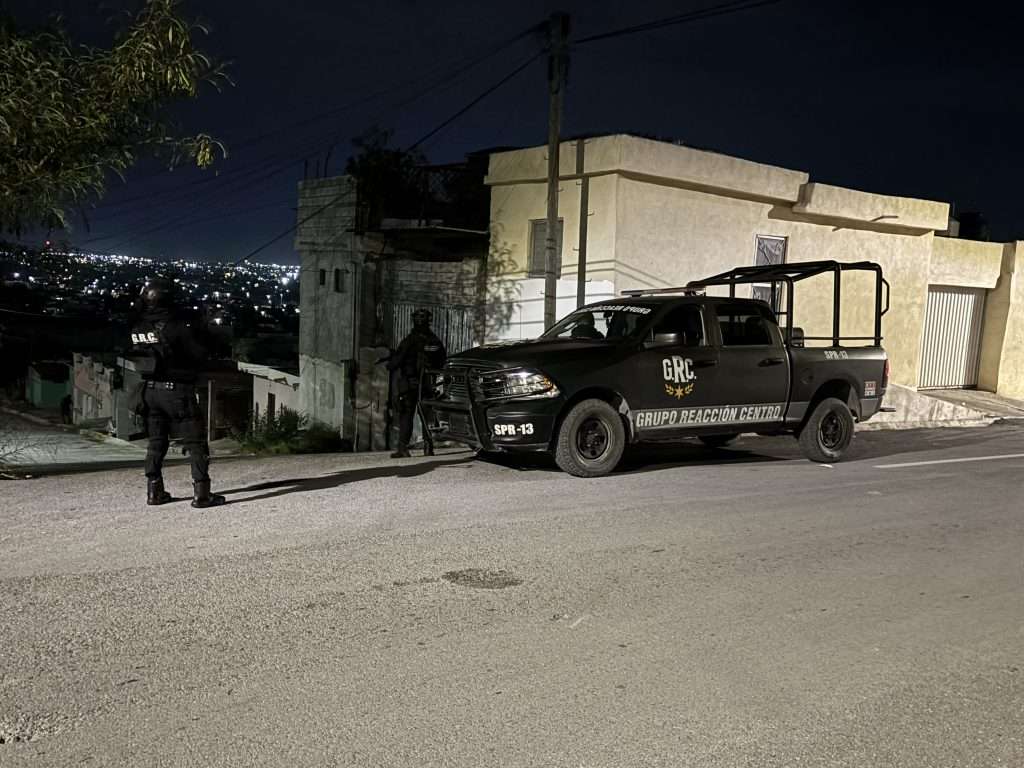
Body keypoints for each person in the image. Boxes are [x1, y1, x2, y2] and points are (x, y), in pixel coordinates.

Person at [127, 277, 225, 508]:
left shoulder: (138, 326)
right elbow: (199, 354)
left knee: (156, 443)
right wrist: (203, 327)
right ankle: (202, 494)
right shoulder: (177, 325)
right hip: (177, 392)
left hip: (150, 391)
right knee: (196, 442)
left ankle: (154, 492)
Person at [386, 309, 446, 458]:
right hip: (427, 384)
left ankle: (403, 448)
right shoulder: (435, 341)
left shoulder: (410, 340)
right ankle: (428, 447)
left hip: (411, 383)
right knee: (426, 416)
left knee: (406, 415)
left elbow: (395, 362)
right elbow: (442, 361)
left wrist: (390, 362)